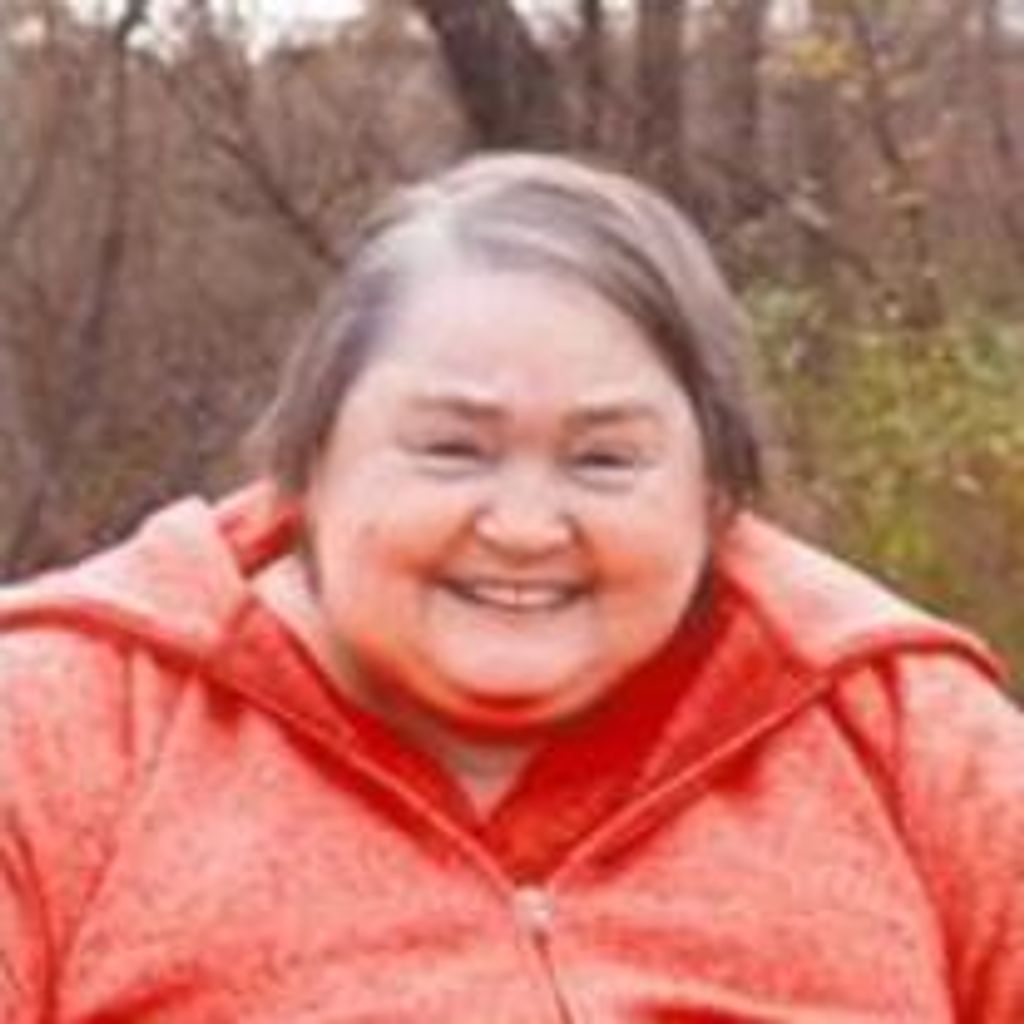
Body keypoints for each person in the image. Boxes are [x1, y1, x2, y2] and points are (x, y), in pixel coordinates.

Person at [1, 152, 1022, 1023]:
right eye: (452, 449)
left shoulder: (905, 732)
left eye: (604, 460)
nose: (526, 528)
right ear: (309, 463)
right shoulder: (60, 726)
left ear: (713, 494)